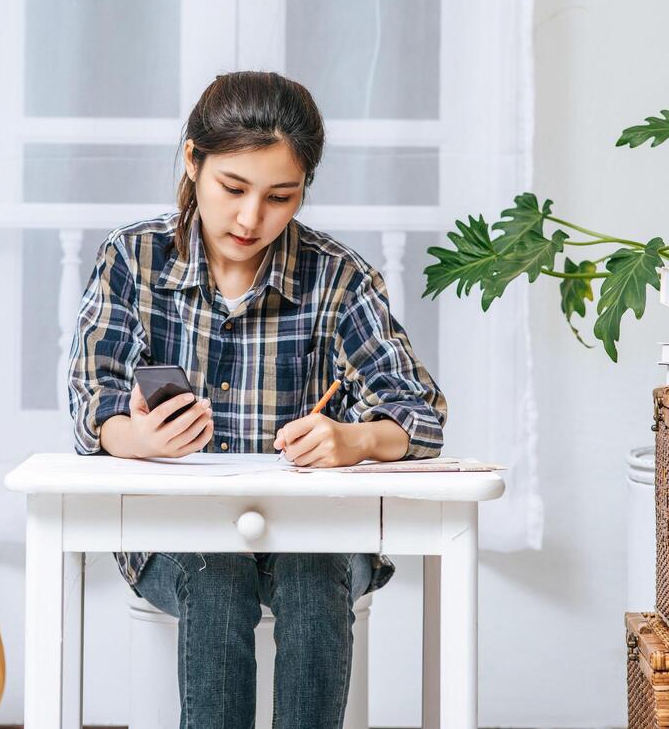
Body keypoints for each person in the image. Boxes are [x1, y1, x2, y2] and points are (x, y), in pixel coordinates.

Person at [68, 71, 447, 729]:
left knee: (309, 571)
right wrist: (139, 440)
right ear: (192, 160)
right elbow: (91, 404)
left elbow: (418, 413)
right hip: (175, 537)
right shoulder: (133, 258)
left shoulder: (337, 277)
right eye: (232, 188)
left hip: (317, 535)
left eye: (280, 196)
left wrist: (354, 439)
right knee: (218, 573)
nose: (250, 219)